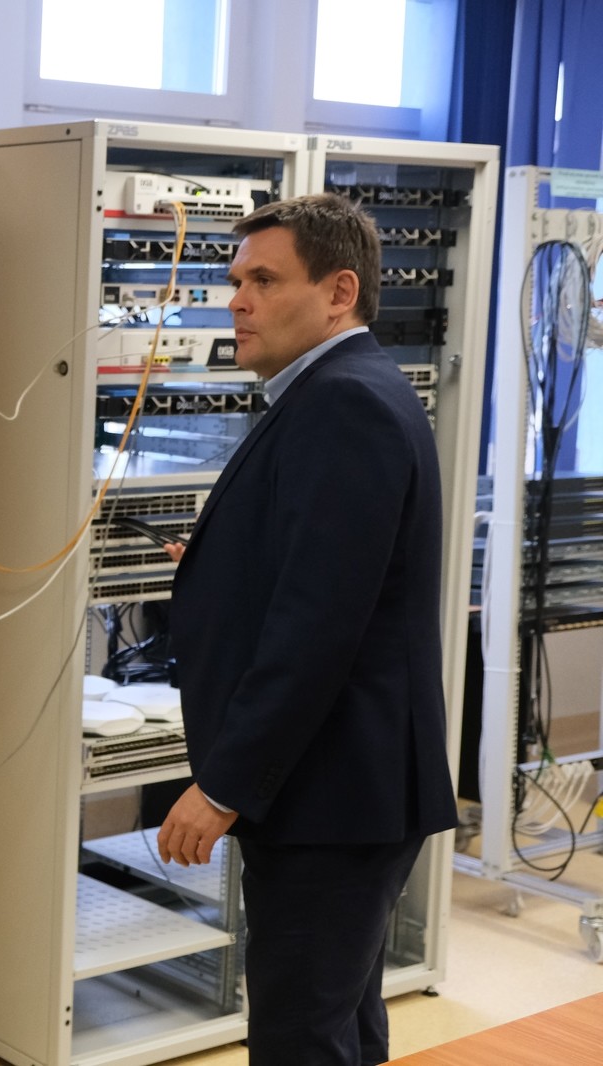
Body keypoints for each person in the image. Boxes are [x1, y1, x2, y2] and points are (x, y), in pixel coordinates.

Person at [154, 192, 458, 1066]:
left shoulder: (344, 403)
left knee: (300, 1040)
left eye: (263, 280)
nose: (236, 301)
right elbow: (326, 573)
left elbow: (318, 629)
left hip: (331, 793)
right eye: (235, 281)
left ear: (339, 292)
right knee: (338, 1027)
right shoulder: (337, 389)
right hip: (343, 789)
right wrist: (224, 560)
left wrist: (222, 787)